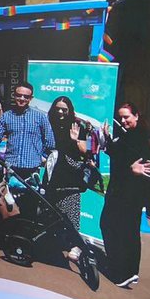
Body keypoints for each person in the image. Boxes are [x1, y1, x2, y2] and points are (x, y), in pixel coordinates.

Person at [0, 82, 56, 230]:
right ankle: (10, 237)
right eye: (19, 95)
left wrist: (41, 158)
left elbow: (50, 143)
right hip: (11, 171)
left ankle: (26, 240)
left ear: (31, 98)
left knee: (29, 208)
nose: (22, 98)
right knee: (10, 207)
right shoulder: (6, 117)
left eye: (26, 96)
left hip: (31, 171)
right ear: (14, 96)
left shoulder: (40, 117)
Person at [99, 102, 150, 289]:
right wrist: (107, 140)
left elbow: (132, 162)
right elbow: (120, 155)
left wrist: (131, 169)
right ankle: (130, 272)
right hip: (126, 192)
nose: (123, 121)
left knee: (112, 227)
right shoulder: (132, 134)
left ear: (137, 116)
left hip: (125, 193)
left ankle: (120, 272)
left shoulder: (136, 136)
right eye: (121, 117)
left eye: (127, 117)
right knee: (128, 231)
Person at [44, 95, 92, 267]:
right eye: (57, 108)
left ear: (70, 110)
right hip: (53, 172)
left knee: (71, 210)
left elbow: (85, 151)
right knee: (51, 208)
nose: (60, 112)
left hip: (70, 173)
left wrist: (75, 140)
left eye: (64, 109)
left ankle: (76, 245)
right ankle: (55, 241)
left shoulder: (78, 126)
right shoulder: (48, 122)